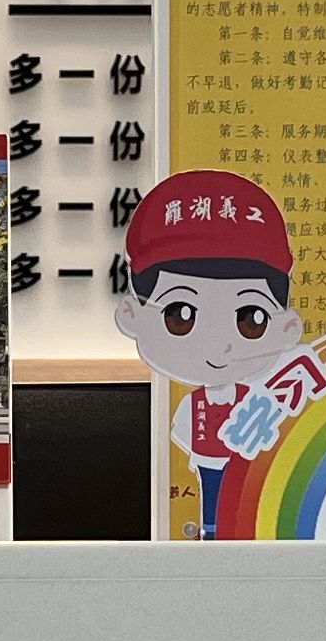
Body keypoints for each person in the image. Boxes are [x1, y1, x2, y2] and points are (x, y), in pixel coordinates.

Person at [111, 168, 300, 539]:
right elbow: (182, 432)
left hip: (249, 476)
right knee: (211, 504)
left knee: (245, 501)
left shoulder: (255, 399)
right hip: (203, 466)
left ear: (287, 327)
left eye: (250, 319)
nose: (218, 346)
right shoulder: (191, 404)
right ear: (133, 316)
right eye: (181, 315)